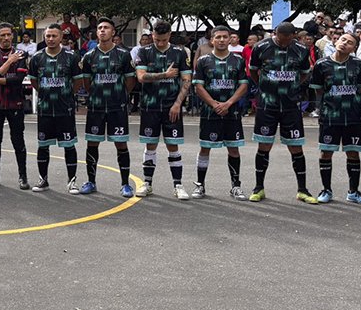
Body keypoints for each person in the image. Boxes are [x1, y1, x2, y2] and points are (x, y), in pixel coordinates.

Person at [247, 22, 316, 203]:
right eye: (280, 39)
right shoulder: (261, 47)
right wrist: (264, 86)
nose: (283, 43)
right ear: (275, 33)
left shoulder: (301, 50)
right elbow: (253, 71)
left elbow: (304, 73)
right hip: (267, 105)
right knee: (264, 146)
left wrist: (293, 86)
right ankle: (258, 188)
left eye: (287, 40)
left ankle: (302, 190)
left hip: (291, 105)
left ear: (293, 36)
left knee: (296, 147)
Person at [309, 32, 361, 205]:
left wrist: (357, 106)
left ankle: (353, 192)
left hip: (353, 116)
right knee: (326, 152)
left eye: (349, 42)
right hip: (330, 116)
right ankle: (326, 190)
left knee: (353, 152)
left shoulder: (359, 65)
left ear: (354, 48)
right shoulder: (321, 64)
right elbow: (318, 89)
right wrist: (327, 104)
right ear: (336, 41)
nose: (344, 43)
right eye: (343, 39)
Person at [134, 20, 193, 198]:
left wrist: (178, 104)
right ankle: (147, 183)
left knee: (173, 145)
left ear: (170, 35)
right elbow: (141, 77)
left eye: (164, 40)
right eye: (157, 39)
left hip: (171, 106)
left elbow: (186, 80)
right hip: (150, 106)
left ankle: (178, 185)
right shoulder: (143, 52)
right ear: (152, 35)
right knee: (150, 144)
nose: (160, 43)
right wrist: (164, 75)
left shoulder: (179, 53)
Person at [78, 18, 136, 196]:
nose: (102, 30)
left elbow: (130, 81)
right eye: (100, 28)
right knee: (92, 143)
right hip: (96, 107)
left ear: (113, 32)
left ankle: (125, 184)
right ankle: (91, 181)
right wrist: (97, 95)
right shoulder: (89, 56)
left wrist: (119, 95)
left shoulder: (123, 54)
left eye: (106, 28)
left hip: (117, 106)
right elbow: (86, 82)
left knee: (121, 143)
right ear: (96, 33)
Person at [192, 26, 249, 200]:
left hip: (232, 112)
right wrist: (214, 104)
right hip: (210, 112)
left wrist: (228, 103)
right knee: (205, 148)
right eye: (218, 37)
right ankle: (200, 185)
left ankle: (236, 186)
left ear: (230, 39)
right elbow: (198, 86)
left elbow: (243, 85)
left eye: (225, 37)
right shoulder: (203, 61)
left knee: (233, 149)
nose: (222, 40)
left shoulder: (238, 60)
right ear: (212, 40)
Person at [26, 25, 82, 193]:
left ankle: (72, 181)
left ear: (61, 37)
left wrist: (66, 94)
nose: (50, 39)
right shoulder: (36, 58)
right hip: (45, 109)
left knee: (69, 145)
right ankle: (43, 180)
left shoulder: (71, 57)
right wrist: (46, 93)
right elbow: (34, 81)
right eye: (48, 36)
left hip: (65, 109)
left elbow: (78, 82)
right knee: (43, 145)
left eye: (54, 36)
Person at [0, 23, 29, 189]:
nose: (6, 38)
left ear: (13, 36)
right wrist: (9, 61)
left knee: (18, 140)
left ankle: (23, 176)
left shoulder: (21, 54)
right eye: (2, 35)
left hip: (15, 103)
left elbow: (18, 80)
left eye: (8, 34)